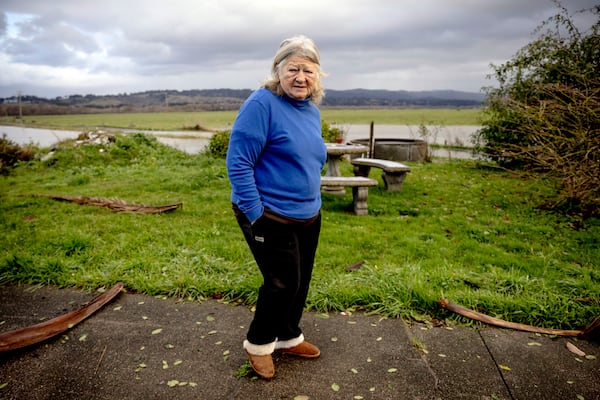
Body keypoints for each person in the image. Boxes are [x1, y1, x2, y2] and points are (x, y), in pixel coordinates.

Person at [226, 35, 327, 379]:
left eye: (308, 70)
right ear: (278, 70)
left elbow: (309, 158)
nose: (301, 77)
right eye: (293, 69)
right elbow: (238, 163)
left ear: (318, 75)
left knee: (300, 281)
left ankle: (288, 336)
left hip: (308, 214)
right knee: (281, 282)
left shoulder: (310, 110)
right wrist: (256, 215)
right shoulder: (262, 104)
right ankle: (258, 344)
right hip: (270, 213)